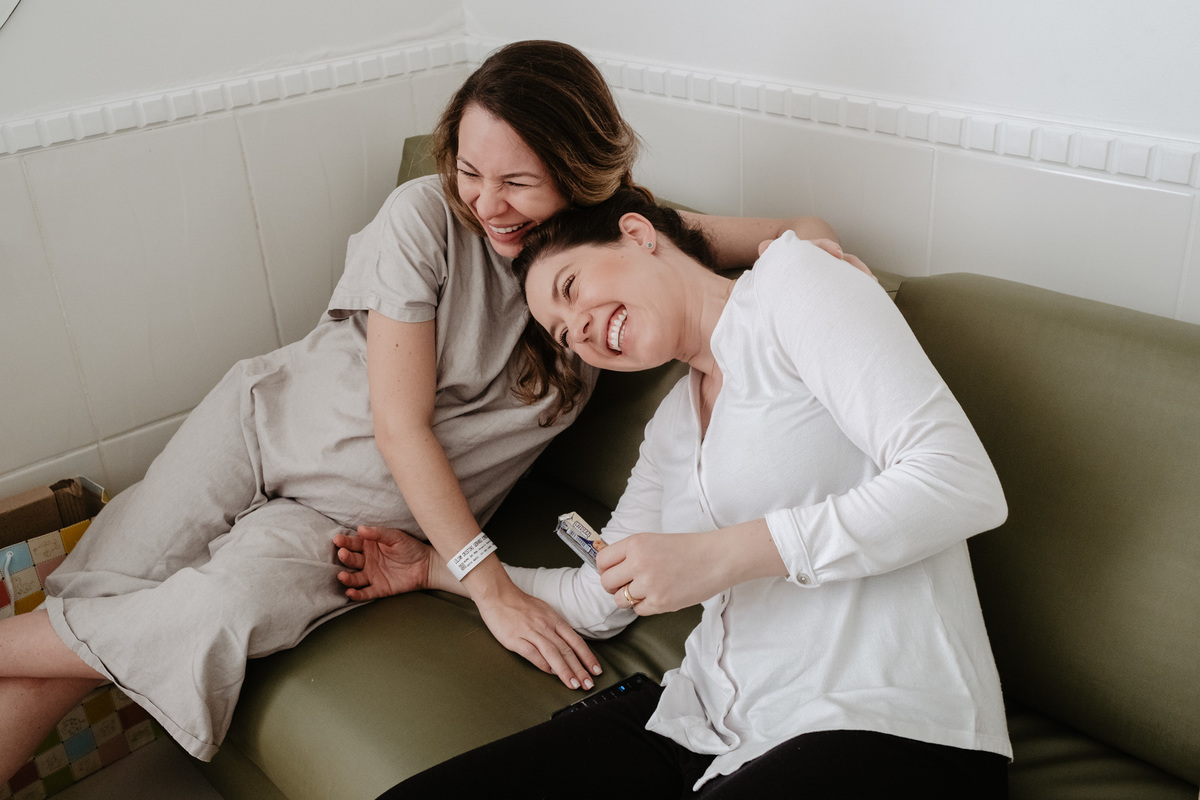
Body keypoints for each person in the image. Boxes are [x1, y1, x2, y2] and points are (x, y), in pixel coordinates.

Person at [0, 40, 845, 778]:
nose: (486, 203)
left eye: (518, 181)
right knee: (91, 593)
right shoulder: (424, 219)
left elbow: (802, 232)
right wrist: (493, 590)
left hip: (348, 521)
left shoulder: (625, 241)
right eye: (471, 173)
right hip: (261, 425)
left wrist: (825, 285)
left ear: (583, 178)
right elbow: (399, 425)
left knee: (205, 616)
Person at [346, 188, 1012, 798]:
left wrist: (720, 557)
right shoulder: (672, 425)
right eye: (562, 333)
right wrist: (435, 568)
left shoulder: (794, 283)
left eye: (571, 287)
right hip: (705, 723)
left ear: (639, 234)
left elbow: (961, 481)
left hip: (887, 725)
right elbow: (600, 598)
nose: (578, 330)